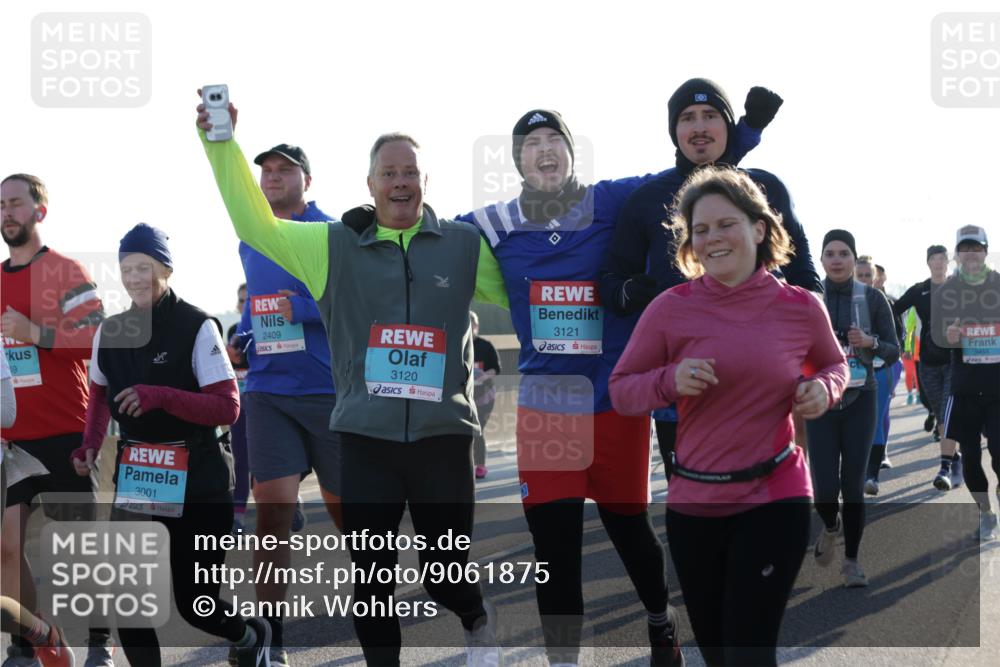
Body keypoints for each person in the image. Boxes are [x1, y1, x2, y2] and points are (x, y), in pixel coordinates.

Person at [455, 104, 779, 666]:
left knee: (631, 534)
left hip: (615, 401)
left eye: (554, 138)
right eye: (531, 144)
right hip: (547, 407)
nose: (544, 149)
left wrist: (743, 134)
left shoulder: (610, 201)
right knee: (555, 551)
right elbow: (417, 233)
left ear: (570, 152)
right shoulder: (493, 222)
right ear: (517, 161)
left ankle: (661, 622)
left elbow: (687, 175)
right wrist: (367, 217)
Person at [197, 94, 507, 667]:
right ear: (369, 184)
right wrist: (222, 145)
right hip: (366, 437)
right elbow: (254, 224)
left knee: (445, 573)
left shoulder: (463, 247)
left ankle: (474, 617)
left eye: (409, 172)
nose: (400, 182)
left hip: (442, 438)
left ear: (425, 180)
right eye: (388, 173)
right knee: (371, 578)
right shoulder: (331, 245)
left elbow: (528, 293)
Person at [609, 166, 847, 666]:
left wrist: (823, 389)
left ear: (759, 229)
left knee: (748, 650)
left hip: (774, 494)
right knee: (718, 652)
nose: (712, 238)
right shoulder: (670, 308)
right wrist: (668, 381)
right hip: (694, 503)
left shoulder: (801, 306)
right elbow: (622, 391)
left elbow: (833, 364)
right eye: (700, 230)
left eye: (725, 224)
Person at [598, 78, 819, 483]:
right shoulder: (647, 199)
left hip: (769, 380)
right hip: (685, 391)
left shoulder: (767, 189)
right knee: (699, 507)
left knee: (774, 504)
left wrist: (812, 348)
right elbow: (609, 282)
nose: (699, 126)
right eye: (687, 118)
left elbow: (805, 274)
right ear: (675, 131)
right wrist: (630, 292)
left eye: (710, 116)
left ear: (729, 127)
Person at [69, 224, 270, 667]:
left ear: (166, 269)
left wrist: (159, 395)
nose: (135, 278)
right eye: (126, 269)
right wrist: (89, 445)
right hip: (140, 479)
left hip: (199, 478)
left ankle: (248, 635)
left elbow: (226, 408)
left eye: (144, 267)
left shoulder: (197, 327)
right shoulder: (111, 332)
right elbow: (99, 397)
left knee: (195, 603)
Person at [225, 142, 341, 667]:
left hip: (329, 394)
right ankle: (272, 642)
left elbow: (355, 302)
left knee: (352, 521)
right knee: (270, 515)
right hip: (268, 392)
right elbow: (259, 311)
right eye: (266, 171)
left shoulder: (330, 233)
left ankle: (376, 618)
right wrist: (245, 338)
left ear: (306, 181)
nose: (272, 178)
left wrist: (303, 310)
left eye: (284, 171)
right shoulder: (251, 236)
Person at [0, 174, 113, 667]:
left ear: (39, 212)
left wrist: (36, 332)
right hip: (11, 440)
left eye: (16, 204)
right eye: (1, 205)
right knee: (5, 550)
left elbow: (96, 337)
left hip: (67, 430)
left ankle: (99, 647)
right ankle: (29, 642)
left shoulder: (65, 271)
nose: (7, 213)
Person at [809, 230, 899, 587]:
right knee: (824, 488)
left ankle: (851, 562)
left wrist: (870, 342)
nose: (836, 259)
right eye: (829, 253)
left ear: (853, 257)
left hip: (862, 398)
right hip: (822, 401)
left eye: (843, 253)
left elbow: (894, 349)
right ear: (821, 260)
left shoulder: (873, 298)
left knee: (853, 484)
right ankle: (831, 525)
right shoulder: (810, 299)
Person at [934, 225, 1000, 540]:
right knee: (972, 461)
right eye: (965, 248)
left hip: (997, 387)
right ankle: (986, 513)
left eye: (977, 247)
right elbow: (935, 340)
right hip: (964, 388)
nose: (971, 253)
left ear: (986, 251)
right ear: (957, 254)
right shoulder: (947, 290)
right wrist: (948, 336)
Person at [892, 245, 962, 489]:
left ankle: (944, 468)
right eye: (934, 258)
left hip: (955, 360)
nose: (939, 262)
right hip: (928, 362)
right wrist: (897, 339)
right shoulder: (919, 290)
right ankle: (956, 456)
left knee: (945, 414)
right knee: (936, 410)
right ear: (928, 263)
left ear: (948, 262)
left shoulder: (958, 287)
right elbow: (892, 310)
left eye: (943, 258)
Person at [854, 256, 902, 493]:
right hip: (851, 369)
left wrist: (871, 342)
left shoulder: (882, 302)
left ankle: (871, 475)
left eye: (867, 275)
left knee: (875, 417)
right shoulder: (842, 301)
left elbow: (896, 343)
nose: (863, 279)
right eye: (859, 275)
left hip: (884, 366)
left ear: (874, 278)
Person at [226, 283, 252, 535]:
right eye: (242, 300)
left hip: (264, 404)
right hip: (239, 409)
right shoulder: (234, 331)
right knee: (241, 461)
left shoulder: (265, 329)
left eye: (249, 300)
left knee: (268, 461)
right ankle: (238, 518)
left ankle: (290, 501)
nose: (245, 304)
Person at [469, 311, 500, 480]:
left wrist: (482, 376)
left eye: (471, 325)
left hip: (485, 396)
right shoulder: (457, 345)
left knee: (477, 429)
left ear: (476, 326)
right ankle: (466, 464)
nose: (469, 328)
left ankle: (480, 466)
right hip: (464, 396)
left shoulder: (485, 346)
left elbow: (496, 368)